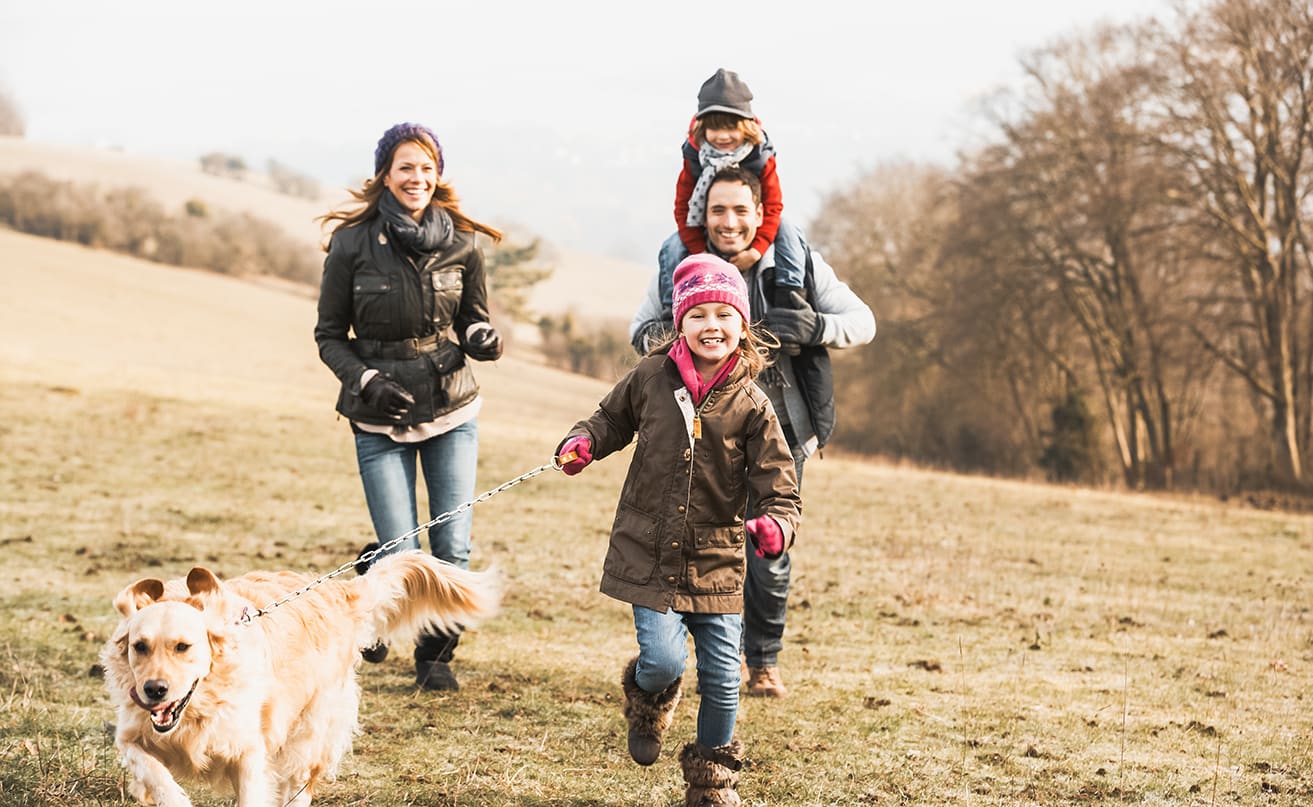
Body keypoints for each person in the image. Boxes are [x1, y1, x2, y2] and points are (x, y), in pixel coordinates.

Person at [556, 253, 801, 806]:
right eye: (698, 315)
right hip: (649, 552)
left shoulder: (754, 406)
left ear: (742, 325)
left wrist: (776, 527)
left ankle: (711, 784)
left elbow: (780, 488)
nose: (711, 325)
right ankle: (648, 703)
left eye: (723, 314)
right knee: (663, 660)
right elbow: (609, 420)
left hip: (717, 560)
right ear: (679, 323)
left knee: (722, 677)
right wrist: (584, 444)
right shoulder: (650, 377)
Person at [631, 166, 876, 699]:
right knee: (704, 546)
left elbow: (864, 322)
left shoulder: (797, 264)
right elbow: (640, 330)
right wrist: (674, 337)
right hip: (702, 432)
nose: (729, 221)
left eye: (741, 209)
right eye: (718, 209)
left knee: (769, 549)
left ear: (761, 214)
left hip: (782, 429)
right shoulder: (679, 264)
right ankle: (718, 664)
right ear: (703, 215)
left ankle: (763, 662)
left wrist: (815, 328)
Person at [314, 122, 504, 692]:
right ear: (386, 175)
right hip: (377, 416)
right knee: (403, 550)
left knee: (453, 546)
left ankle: (434, 657)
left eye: (426, 167)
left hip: (451, 409)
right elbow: (327, 335)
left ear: (437, 174)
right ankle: (375, 579)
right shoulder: (351, 244)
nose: (417, 177)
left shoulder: (464, 242)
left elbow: (474, 316)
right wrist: (366, 378)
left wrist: (480, 337)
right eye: (405, 167)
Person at [665, 67, 809, 351]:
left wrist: (756, 249)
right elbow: (683, 207)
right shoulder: (695, 156)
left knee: (789, 231)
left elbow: (774, 205)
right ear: (702, 128)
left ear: (746, 126)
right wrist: (700, 252)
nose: (722, 135)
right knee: (672, 247)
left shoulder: (760, 155)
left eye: (730, 127)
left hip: (758, 226)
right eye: (714, 128)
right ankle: (670, 310)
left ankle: (790, 296)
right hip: (706, 232)